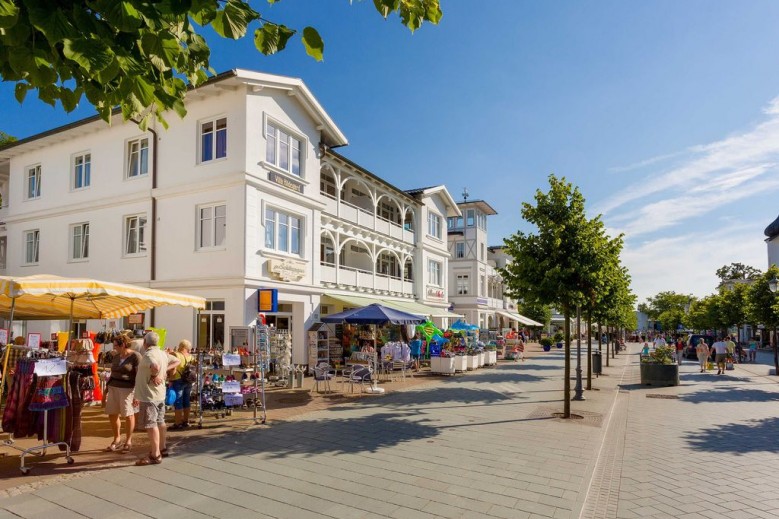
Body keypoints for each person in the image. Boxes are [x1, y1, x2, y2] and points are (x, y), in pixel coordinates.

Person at [133, 331, 179, 466]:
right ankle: (162, 448)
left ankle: (155, 454)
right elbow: (176, 360)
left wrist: (155, 375)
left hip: (149, 395)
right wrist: (164, 371)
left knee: (151, 424)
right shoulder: (162, 353)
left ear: (145, 342)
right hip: (159, 394)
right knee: (160, 421)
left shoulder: (149, 354)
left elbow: (155, 366)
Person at [104, 334, 140, 453]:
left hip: (128, 388)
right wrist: (105, 391)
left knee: (128, 414)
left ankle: (128, 440)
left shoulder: (135, 356)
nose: (114, 348)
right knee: (112, 413)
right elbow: (112, 373)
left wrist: (137, 394)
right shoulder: (116, 357)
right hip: (113, 387)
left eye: (115, 345)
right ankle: (117, 439)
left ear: (123, 344)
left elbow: (139, 376)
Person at [169, 340, 194, 430]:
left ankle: (178, 423)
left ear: (181, 346)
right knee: (186, 400)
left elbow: (173, 369)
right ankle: (186, 421)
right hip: (189, 380)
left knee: (178, 401)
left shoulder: (177, 355)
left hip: (178, 379)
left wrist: (171, 380)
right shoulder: (191, 357)